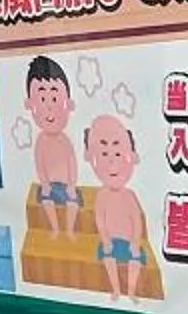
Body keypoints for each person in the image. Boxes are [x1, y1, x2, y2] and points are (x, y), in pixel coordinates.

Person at [86, 113, 149, 297]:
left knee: (136, 260)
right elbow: (100, 219)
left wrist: (135, 242)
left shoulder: (130, 195)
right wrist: (105, 240)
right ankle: (115, 289)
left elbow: (137, 221)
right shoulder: (102, 195)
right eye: (105, 154)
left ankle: (130, 290)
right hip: (110, 242)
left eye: (118, 154)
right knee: (108, 258)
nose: (112, 161)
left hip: (130, 242)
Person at [24, 55, 78, 226]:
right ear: (30, 104)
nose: (48, 107)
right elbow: (40, 165)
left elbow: (72, 163)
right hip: (49, 187)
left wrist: (71, 185)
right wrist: (45, 184)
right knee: (46, 202)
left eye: (54, 99)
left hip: (66, 186)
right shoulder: (41, 141)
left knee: (73, 204)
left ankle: (69, 230)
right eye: (42, 99)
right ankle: (54, 228)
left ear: (68, 104)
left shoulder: (64, 140)